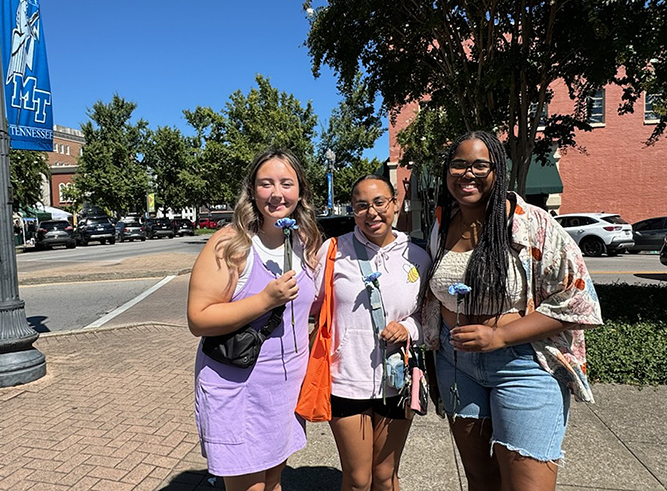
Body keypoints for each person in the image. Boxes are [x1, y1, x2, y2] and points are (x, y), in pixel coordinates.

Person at [421, 131, 603, 491]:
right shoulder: (442, 225)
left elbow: (579, 300)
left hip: (523, 366)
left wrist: (500, 335)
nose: (466, 173)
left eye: (479, 165)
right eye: (458, 164)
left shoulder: (533, 224)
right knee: (481, 481)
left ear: (497, 172)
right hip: (457, 365)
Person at [187, 148, 322, 491]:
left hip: (285, 388)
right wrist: (264, 300)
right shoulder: (230, 244)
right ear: (252, 191)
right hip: (238, 386)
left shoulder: (303, 243)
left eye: (286, 184)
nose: (277, 193)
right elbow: (198, 319)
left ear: (300, 192)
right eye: (266, 184)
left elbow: (309, 308)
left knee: (273, 480)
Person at [314, 175, 431, 491]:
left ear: (395, 203)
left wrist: (407, 328)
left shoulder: (417, 256)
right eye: (361, 205)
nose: (372, 212)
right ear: (352, 210)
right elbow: (308, 305)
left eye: (380, 202)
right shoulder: (333, 251)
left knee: (385, 474)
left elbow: (429, 316)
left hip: (397, 380)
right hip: (346, 378)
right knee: (357, 478)